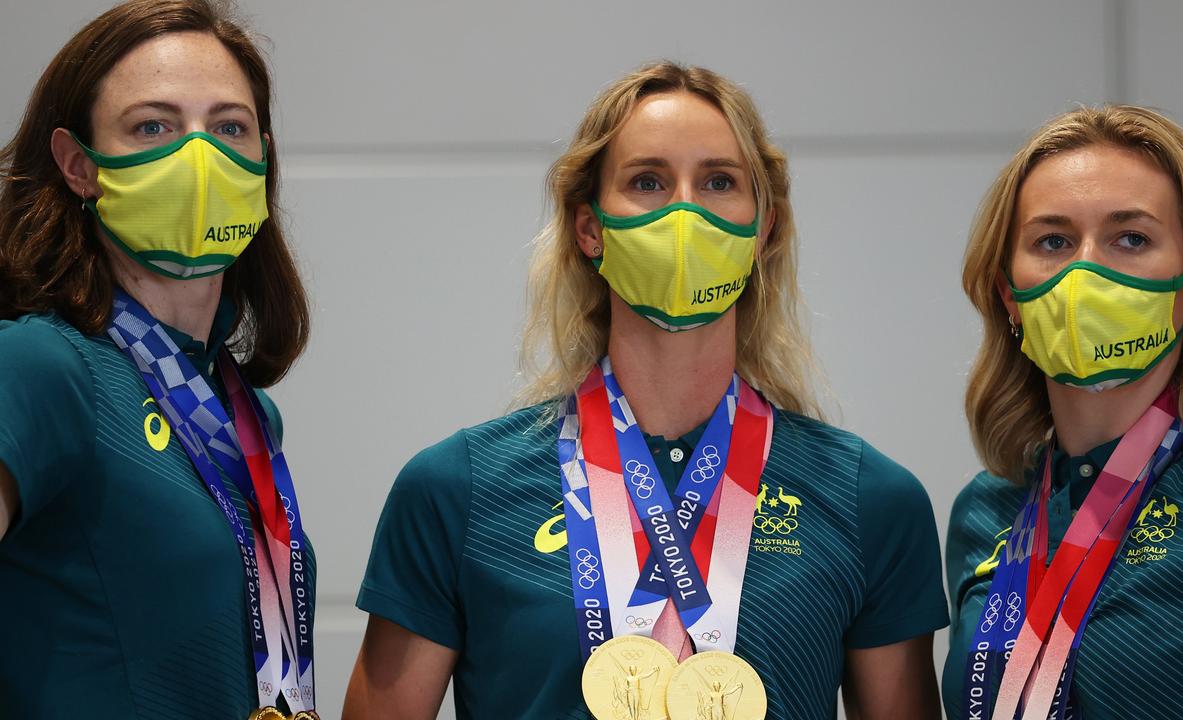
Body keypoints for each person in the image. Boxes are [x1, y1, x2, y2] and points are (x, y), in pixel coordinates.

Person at [345, 61, 948, 719]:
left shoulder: (871, 501)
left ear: (762, 228)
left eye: (719, 181)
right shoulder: (454, 490)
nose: (684, 210)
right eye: (647, 181)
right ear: (590, 229)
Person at [0, 2, 317, 718]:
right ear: (80, 166)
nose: (199, 156)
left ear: (260, 159)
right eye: (154, 126)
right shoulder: (40, 367)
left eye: (229, 127)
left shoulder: (242, 410)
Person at [943, 105, 1183, 720]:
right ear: (1008, 293)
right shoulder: (986, 509)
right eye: (1054, 241)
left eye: (1132, 238)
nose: (1085, 269)